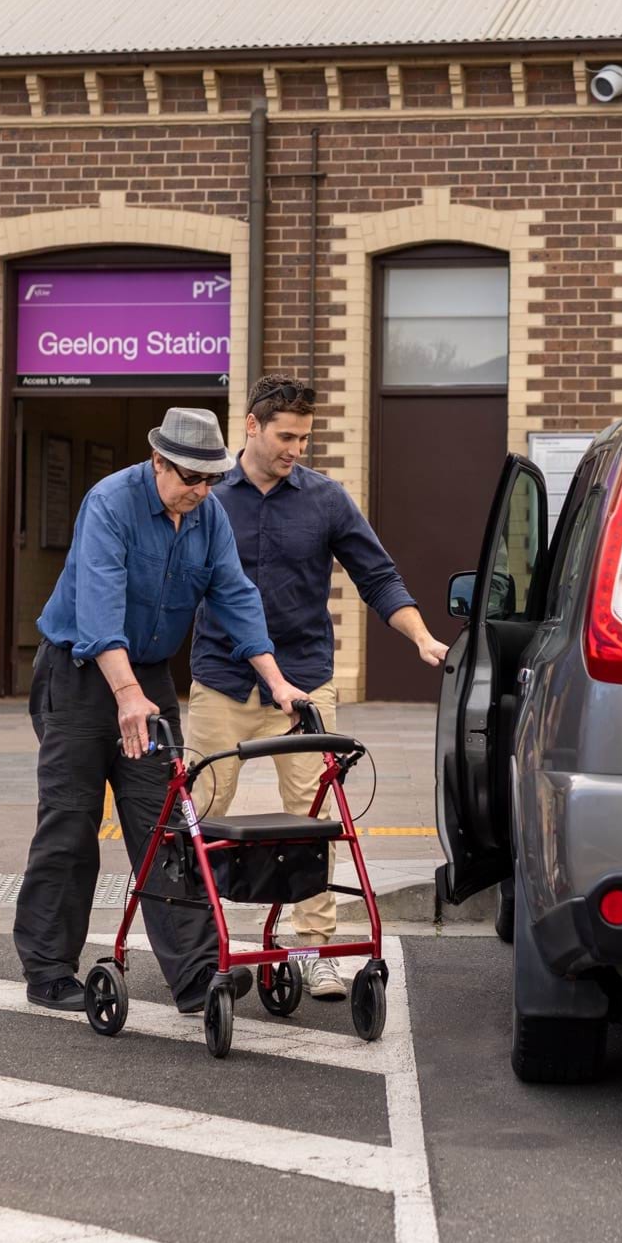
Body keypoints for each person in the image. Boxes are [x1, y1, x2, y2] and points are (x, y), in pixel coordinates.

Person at [14, 405, 307, 1016]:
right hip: (79, 673)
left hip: (143, 677)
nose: (202, 491)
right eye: (191, 479)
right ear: (158, 462)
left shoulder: (208, 518)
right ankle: (47, 968)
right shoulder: (111, 503)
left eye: (211, 480)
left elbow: (235, 597)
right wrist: (124, 694)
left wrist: (278, 683)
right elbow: (97, 606)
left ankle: (197, 974)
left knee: (168, 827)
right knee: (70, 823)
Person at [186, 376, 448, 1000]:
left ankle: (314, 947)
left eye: (305, 437)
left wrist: (420, 637)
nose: (297, 448)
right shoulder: (208, 496)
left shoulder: (325, 499)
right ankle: (196, 948)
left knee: (314, 819)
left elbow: (378, 577)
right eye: (286, 436)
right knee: (202, 816)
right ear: (250, 426)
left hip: (303, 685)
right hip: (222, 681)